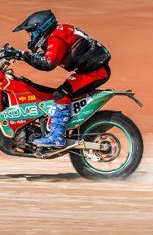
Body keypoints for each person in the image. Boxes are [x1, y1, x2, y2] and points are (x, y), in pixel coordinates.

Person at [10, 9, 112, 147]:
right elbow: (47, 56)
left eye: (32, 32)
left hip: (95, 72)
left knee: (61, 94)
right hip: (88, 70)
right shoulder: (57, 33)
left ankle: (57, 136)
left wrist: (22, 55)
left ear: (41, 28)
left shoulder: (57, 37)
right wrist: (19, 54)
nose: (31, 36)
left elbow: (48, 64)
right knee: (52, 93)